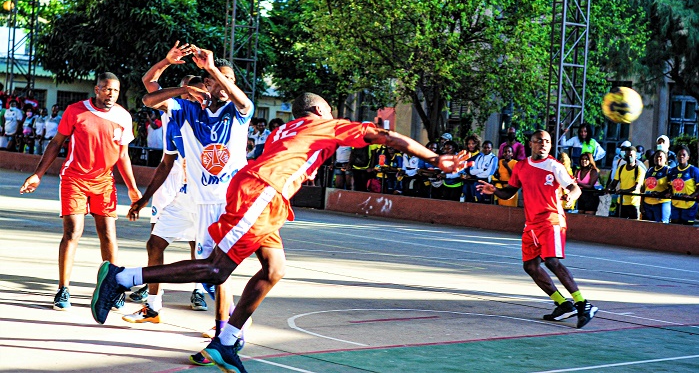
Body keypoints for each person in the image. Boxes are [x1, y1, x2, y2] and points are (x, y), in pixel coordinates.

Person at [91, 92, 467, 372]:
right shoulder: (325, 125)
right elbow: (385, 137)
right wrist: (435, 158)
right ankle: (122, 277)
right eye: (330, 112)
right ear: (319, 111)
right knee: (217, 269)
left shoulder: (286, 129)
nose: (334, 118)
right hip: (262, 192)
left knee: (274, 268)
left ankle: (226, 341)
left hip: (264, 194)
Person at [140, 47, 253, 364]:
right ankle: (157, 305)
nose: (225, 84)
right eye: (217, 79)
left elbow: (243, 101)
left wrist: (214, 69)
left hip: (223, 203)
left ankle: (226, 333)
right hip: (191, 196)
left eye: (230, 79)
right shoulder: (189, 109)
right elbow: (149, 97)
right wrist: (181, 84)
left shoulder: (238, 112)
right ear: (206, 85)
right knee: (161, 245)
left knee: (214, 272)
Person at [19, 72, 141, 310]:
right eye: (107, 89)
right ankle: (63, 289)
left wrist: (133, 188)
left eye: (115, 91)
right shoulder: (76, 111)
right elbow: (56, 143)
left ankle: (110, 289)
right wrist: (38, 174)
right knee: (73, 231)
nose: (111, 94)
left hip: (104, 182)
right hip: (74, 178)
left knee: (108, 235)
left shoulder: (123, 117)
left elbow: (123, 155)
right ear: (97, 89)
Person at [476, 130, 598, 329]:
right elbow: (509, 192)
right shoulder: (521, 166)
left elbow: (574, 187)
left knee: (551, 261)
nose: (543, 144)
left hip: (551, 220)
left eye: (547, 141)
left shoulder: (554, 166)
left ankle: (584, 304)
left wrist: (571, 196)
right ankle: (563, 304)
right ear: (530, 144)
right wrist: (495, 190)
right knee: (530, 266)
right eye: (539, 141)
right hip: (531, 224)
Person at [124, 44, 209, 316]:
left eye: (193, 90)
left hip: (203, 187)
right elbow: (149, 87)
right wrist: (167, 61)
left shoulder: (213, 116)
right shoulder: (173, 113)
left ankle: (201, 292)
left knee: (201, 245)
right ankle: (152, 293)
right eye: (184, 90)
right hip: (175, 181)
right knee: (156, 237)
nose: (187, 94)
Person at [606, 146, 646, 220]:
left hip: (633, 203)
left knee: (634, 224)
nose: (629, 157)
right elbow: (614, 182)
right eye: (627, 155)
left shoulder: (639, 170)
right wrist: (609, 188)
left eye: (631, 155)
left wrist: (623, 191)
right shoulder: (621, 168)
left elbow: (637, 187)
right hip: (621, 202)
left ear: (635, 156)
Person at [668, 146, 699, 225]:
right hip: (675, 204)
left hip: (689, 205)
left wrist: (691, 196)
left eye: (684, 155)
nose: (681, 156)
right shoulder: (672, 171)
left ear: (688, 157)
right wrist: (670, 193)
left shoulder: (694, 170)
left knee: (687, 228)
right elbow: (669, 186)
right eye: (679, 155)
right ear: (676, 157)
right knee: (675, 227)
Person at [641, 150, 671, 223]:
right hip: (647, 204)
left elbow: (672, 188)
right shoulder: (650, 170)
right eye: (656, 157)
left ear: (665, 159)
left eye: (660, 157)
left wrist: (660, 194)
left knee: (661, 226)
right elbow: (644, 188)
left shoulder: (668, 170)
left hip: (661, 203)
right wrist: (641, 205)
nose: (658, 158)